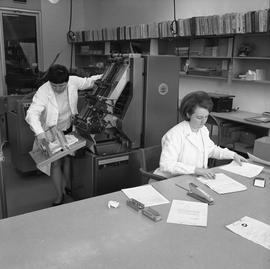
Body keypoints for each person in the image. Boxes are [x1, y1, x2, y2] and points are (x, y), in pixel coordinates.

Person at [26, 64, 102, 206]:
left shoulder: (73, 81)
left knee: (67, 158)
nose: (58, 89)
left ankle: (68, 188)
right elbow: (32, 114)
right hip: (51, 132)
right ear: (49, 82)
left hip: (69, 128)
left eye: (62, 86)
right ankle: (59, 195)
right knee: (55, 163)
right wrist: (40, 133)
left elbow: (89, 82)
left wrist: (108, 75)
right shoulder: (43, 91)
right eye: (55, 86)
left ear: (67, 81)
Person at [154, 91, 246, 179]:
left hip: (194, 177)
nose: (203, 121)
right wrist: (196, 170)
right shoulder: (175, 134)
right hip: (170, 180)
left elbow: (211, 150)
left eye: (206, 117)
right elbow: (166, 164)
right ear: (188, 114)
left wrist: (233, 155)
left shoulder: (203, 130)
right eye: (199, 117)